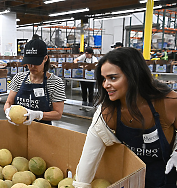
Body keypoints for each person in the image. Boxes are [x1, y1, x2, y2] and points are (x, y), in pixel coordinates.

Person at [73, 47, 177, 188]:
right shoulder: (108, 113)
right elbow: (89, 155)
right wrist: (81, 184)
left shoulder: (168, 102)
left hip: (164, 180)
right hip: (130, 181)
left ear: (134, 75)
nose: (106, 85)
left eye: (113, 78)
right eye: (103, 79)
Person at [4, 39, 66, 125]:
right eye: (29, 63)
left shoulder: (56, 82)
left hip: (42, 131)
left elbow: (58, 114)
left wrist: (37, 115)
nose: (31, 66)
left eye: (35, 63)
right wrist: (7, 110)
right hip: (18, 129)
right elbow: (9, 102)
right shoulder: (19, 78)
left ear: (45, 58)